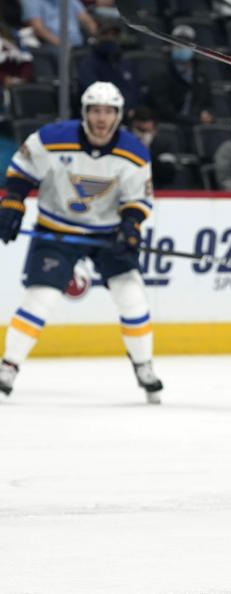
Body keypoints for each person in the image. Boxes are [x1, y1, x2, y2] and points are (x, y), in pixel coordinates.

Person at [0, 81, 163, 404]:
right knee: (41, 297)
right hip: (56, 228)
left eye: (108, 111)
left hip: (107, 233)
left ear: (118, 115)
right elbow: (21, 171)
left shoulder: (133, 152)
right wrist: (13, 202)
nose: (101, 118)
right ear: (85, 112)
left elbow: (137, 200)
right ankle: (8, 367)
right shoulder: (52, 139)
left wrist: (131, 226)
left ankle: (144, 366)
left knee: (132, 297)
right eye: (95, 110)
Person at [143, 25, 214, 129]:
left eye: (186, 43)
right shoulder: (159, 74)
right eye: (178, 42)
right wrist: (192, 120)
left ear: (195, 47)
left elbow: (208, 103)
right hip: (168, 127)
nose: (181, 46)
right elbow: (163, 109)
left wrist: (207, 113)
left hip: (196, 128)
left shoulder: (201, 76)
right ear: (171, 46)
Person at [76, 16, 140, 118]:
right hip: (103, 118)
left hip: (130, 118)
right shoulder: (89, 64)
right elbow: (94, 94)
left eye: (114, 34)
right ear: (97, 36)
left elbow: (136, 93)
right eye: (105, 34)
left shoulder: (126, 63)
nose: (110, 38)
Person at [129, 106, 177, 188]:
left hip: (159, 186)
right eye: (138, 130)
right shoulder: (128, 142)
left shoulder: (164, 142)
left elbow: (167, 173)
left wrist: (145, 150)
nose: (142, 135)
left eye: (144, 131)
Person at [22, 0, 97, 48]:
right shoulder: (31, 1)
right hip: (51, 45)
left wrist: (97, 36)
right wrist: (63, 45)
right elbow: (38, 29)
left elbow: (86, 19)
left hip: (78, 44)